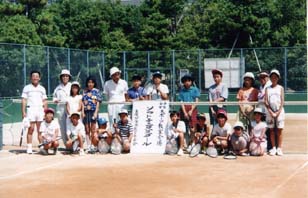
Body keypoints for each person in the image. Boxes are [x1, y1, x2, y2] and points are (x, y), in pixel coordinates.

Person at [21, 70, 48, 154]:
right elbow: (24, 100)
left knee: (40, 130)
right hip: (31, 110)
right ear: (30, 78)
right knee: (31, 129)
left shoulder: (42, 88)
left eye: (37, 76)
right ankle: (29, 147)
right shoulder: (27, 88)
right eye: (33, 76)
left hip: (40, 110)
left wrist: (45, 112)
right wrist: (23, 112)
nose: (35, 78)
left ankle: (41, 147)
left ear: (39, 78)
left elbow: (45, 101)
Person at [265, 69, 285, 156]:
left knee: (279, 130)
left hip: (279, 112)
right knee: (272, 130)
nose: (274, 78)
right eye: (272, 77)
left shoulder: (280, 88)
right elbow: (266, 101)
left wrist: (277, 112)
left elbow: (282, 101)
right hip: (270, 112)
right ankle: (273, 148)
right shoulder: (267, 88)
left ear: (278, 78)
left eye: (275, 77)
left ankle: (279, 148)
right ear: (270, 78)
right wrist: (271, 112)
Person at [178, 74, 200, 149]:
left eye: (189, 80)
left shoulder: (195, 89)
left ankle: (193, 143)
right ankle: (185, 144)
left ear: (191, 81)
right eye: (185, 81)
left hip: (192, 109)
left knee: (192, 127)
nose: (187, 82)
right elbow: (181, 102)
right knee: (184, 127)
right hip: (183, 110)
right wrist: (184, 112)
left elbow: (196, 101)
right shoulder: (181, 91)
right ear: (183, 82)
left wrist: (191, 110)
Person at [82, 76, 102, 152]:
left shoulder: (96, 91)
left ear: (94, 83)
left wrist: (96, 112)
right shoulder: (84, 91)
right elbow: (82, 103)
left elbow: (98, 102)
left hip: (93, 111)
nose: (90, 84)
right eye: (89, 82)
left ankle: (94, 145)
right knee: (87, 129)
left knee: (93, 129)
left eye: (92, 82)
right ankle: (88, 145)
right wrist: (83, 112)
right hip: (86, 112)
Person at [53, 69, 72, 145]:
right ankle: (66, 144)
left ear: (69, 77)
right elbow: (54, 97)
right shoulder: (58, 88)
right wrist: (55, 100)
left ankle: (73, 143)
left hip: (70, 108)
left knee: (71, 125)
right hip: (60, 109)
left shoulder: (72, 85)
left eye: (66, 76)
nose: (65, 77)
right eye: (63, 76)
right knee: (62, 127)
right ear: (61, 77)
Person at [257, 70, 272, 150]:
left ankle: (271, 147)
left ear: (268, 77)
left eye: (264, 77)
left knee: (270, 130)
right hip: (262, 112)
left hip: (268, 111)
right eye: (260, 77)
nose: (262, 79)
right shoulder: (261, 86)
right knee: (264, 130)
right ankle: (265, 146)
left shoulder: (269, 85)